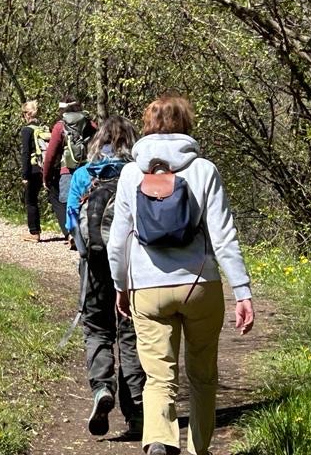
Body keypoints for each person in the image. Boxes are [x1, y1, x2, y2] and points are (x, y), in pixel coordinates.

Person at [107, 95, 255, 455]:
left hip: (148, 288)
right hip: (199, 286)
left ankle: (159, 439)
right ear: (186, 124)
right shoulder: (204, 169)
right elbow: (223, 236)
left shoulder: (131, 173)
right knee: (202, 377)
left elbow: (118, 239)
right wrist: (242, 290)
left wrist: (121, 285)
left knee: (159, 377)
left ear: (147, 126)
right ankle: (198, 449)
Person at [66, 116, 146, 439]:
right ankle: (137, 410)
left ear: (98, 142)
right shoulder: (138, 175)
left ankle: (101, 388)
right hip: (132, 266)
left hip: (94, 266)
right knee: (131, 334)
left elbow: (72, 224)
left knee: (97, 328)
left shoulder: (83, 175)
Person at [44, 94, 98, 242]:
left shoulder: (60, 127)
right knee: (88, 202)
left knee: (68, 203)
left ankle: (72, 234)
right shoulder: (91, 125)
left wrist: (46, 178)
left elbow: (50, 156)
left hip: (68, 171)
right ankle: (88, 234)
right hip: (89, 171)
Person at [19, 100, 51, 242]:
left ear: (28, 114)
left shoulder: (26, 130)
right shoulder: (45, 129)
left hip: (33, 169)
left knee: (31, 200)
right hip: (46, 168)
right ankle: (69, 232)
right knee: (55, 200)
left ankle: (34, 232)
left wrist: (24, 174)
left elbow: (25, 153)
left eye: (24, 113)